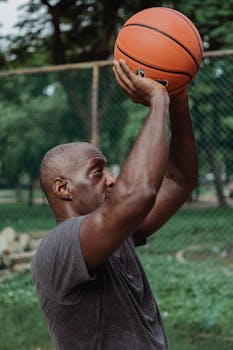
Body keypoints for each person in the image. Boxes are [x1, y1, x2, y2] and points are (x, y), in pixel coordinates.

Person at [32, 59, 198, 350]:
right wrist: (158, 101)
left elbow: (180, 180)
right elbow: (139, 194)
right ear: (63, 188)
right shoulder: (59, 248)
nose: (111, 180)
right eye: (97, 171)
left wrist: (178, 98)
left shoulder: (116, 236)